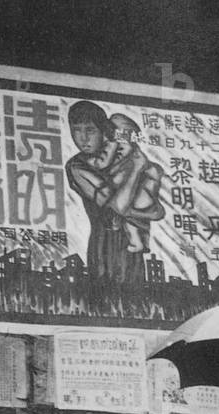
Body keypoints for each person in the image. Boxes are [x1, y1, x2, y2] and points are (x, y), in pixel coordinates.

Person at [66, 101, 157, 284]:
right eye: (76, 130)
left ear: (103, 131)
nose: (83, 138)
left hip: (131, 248)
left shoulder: (121, 155)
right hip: (103, 246)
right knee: (106, 297)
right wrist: (135, 170)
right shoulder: (77, 166)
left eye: (90, 130)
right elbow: (116, 207)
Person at [108, 112, 164, 254]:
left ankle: (138, 242)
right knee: (133, 226)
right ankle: (139, 242)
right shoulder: (119, 162)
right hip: (137, 207)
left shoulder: (135, 160)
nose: (118, 148)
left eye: (123, 144)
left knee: (132, 226)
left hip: (141, 204)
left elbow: (155, 172)